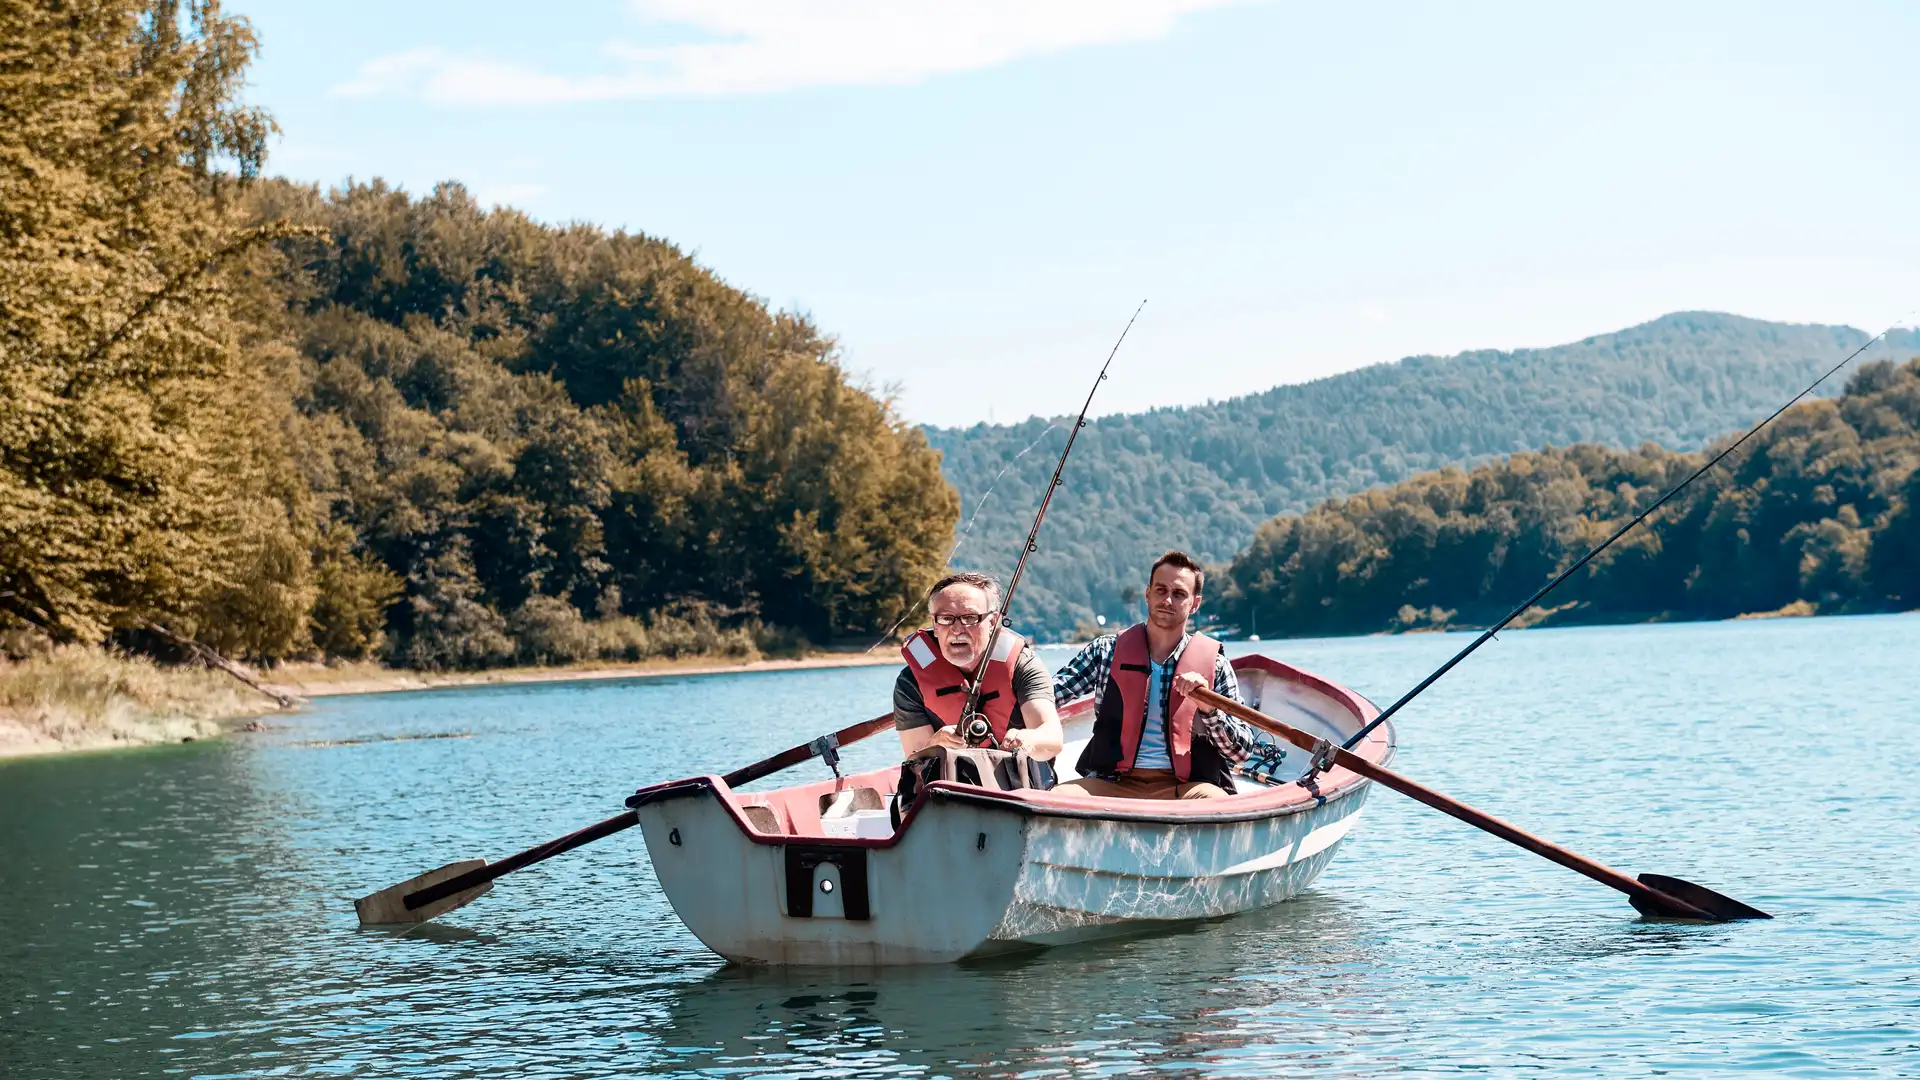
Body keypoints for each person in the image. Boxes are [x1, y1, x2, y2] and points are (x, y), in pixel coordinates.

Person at [1052, 551, 1255, 799]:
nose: (1167, 600)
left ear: (1195, 604)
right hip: (1113, 783)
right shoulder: (1106, 650)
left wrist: (1209, 708)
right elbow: (1048, 696)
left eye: (1179, 594)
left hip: (1187, 787)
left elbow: (1242, 752)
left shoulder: (1216, 665)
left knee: (1215, 803)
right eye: (1161, 590)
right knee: (1057, 797)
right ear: (1148, 594)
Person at [893, 572, 1064, 760]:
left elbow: (1052, 738)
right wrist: (935, 744)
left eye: (970, 617)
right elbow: (914, 759)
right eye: (946, 618)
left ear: (992, 621)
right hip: (948, 784)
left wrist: (1028, 739)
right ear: (934, 623)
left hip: (1018, 782)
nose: (957, 630)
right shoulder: (910, 681)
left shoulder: (1022, 664)